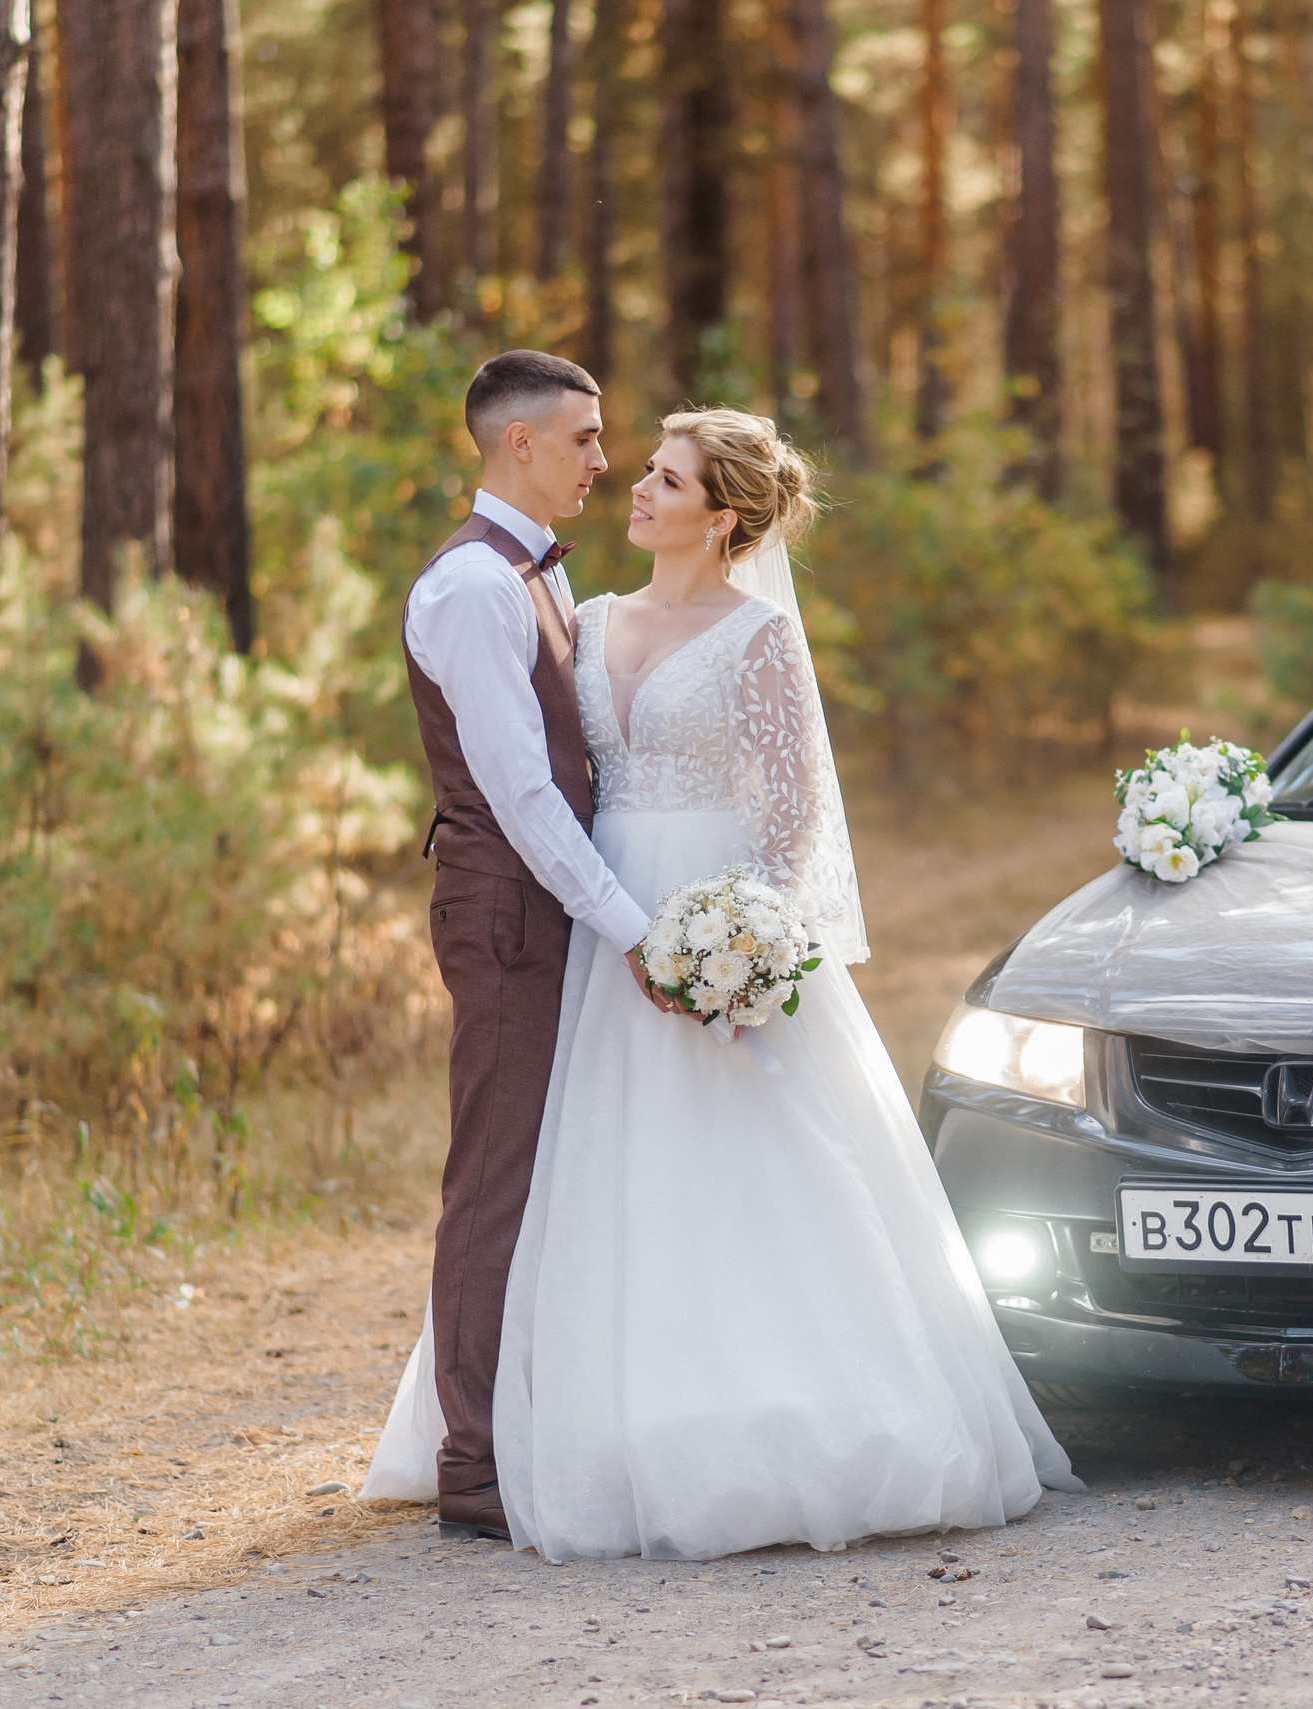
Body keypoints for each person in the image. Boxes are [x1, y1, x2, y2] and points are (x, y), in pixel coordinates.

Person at [367, 407, 1079, 1560]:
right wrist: (634, 926)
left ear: (722, 513)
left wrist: (730, 944)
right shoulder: (586, 620)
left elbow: (794, 819)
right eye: (638, 468)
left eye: (664, 477)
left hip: (709, 914)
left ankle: (778, 1415)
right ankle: (573, 1419)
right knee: (590, 1167)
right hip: (606, 922)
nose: (635, 489)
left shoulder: (759, 638)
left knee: (751, 1169)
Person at [386, 350, 677, 1543]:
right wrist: (629, 925)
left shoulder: (535, 573)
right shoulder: (473, 588)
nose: (604, 463)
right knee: (495, 1180)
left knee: (548, 1167)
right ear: (519, 443)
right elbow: (518, 792)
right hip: (505, 911)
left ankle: (536, 1420)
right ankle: (475, 1462)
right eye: (586, 439)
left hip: (536, 906)